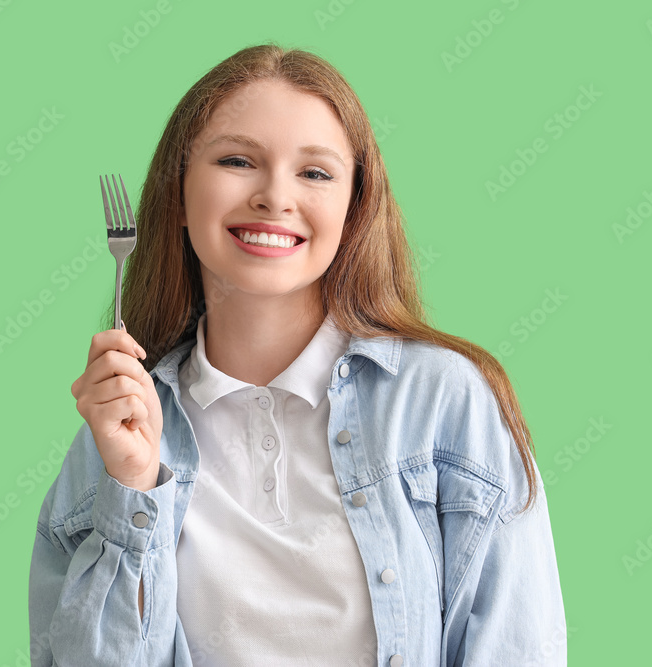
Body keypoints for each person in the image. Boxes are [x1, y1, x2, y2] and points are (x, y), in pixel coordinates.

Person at [28, 42, 566, 666]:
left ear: (354, 207)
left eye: (315, 172)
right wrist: (131, 486)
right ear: (175, 194)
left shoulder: (446, 400)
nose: (274, 197)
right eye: (237, 160)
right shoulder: (115, 433)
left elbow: (517, 648)